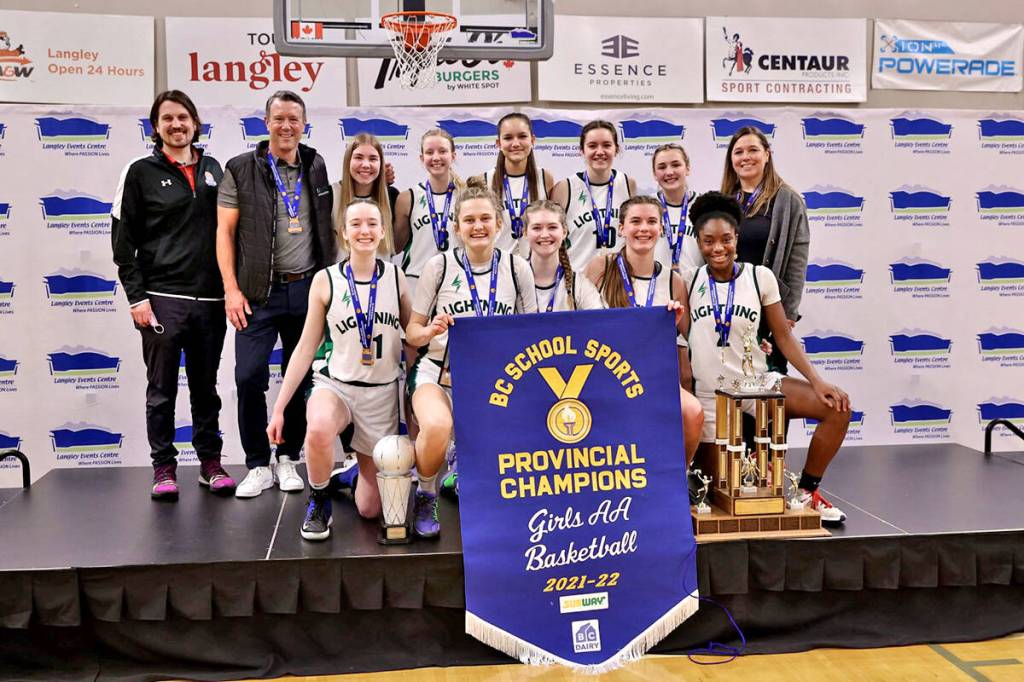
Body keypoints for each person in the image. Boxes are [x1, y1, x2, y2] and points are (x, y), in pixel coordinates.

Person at [685, 192, 850, 524]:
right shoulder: (687, 280)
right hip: (710, 397)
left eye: (726, 239)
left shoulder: (760, 277)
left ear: (737, 238)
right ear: (699, 243)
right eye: (709, 241)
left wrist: (818, 382)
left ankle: (807, 491)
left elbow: (784, 336)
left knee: (837, 408)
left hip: (756, 385)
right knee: (719, 492)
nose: (718, 248)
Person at [112, 90, 234, 500]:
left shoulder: (216, 169)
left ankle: (210, 464)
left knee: (206, 389)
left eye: (183, 117)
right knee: (161, 389)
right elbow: (122, 243)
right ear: (156, 127)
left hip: (211, 301)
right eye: (167, 119)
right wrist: (136, 298)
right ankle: (163, 468)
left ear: (195, 124)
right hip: (161, 297)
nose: (176, 125)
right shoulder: (140, 172)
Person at [216, 90, 337, 498]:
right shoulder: (240, 168)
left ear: (304, 125)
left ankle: (287, 457)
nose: (287, 126)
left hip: (307, 289)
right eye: (279, 118)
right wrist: (231, 290)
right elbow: (225, 233)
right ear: (266, 122)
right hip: (256, 293)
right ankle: (256, 464)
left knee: (300, 376)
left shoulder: (316, 164)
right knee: (248, 376)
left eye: (294, 119)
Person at [267, 200, 410, 541]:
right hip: (337, 385)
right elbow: (305, 347)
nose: (364, 230)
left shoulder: (396, 276)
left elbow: (412, 339)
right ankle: (318, 500)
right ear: (344, 233)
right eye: (356, 224)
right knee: (317, 429)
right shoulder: (325, 279)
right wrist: (279, 408)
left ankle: (348, 475)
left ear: (382, 231)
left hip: (380, 393)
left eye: (372, 224)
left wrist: (418, 392)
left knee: (370, 509)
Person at [406, 184, 537, 531]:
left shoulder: (516, 267)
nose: (477, 226)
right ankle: (426, 493)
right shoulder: (439, 266)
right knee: (436, 425)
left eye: (484, 219)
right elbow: (411, 333)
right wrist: (431, 329)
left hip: (494, 380)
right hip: (439, 371)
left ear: (499, 224)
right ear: (457, 226)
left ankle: (461, 465)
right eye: (469, 220)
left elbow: (534, 332)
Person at [584, 196, 704, 463]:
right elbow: (579, 323)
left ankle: (676, 481)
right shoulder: (601, 267)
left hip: (651, 378)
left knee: (693, 412)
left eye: (651, 221)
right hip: (603, 374)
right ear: (622, 228)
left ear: (661, 228)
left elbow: (692, 336)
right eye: (635, 221)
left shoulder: (673, 281)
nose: (643, 228)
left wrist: (673, 324)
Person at [720, 126, 809, 375]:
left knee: (770, 386)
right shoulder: (724, 200)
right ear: (731, 160)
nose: (745, 157)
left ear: (767, 154)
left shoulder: (787, 200)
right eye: (738, 152)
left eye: (753, 150)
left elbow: (797, 257)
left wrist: (788, 312)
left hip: (769, 310)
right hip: (730, 308)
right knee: (731, 381)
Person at [550, 120, 636, 271]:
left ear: (616, 149)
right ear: (582, 150)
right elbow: (553, 240)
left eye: (607, 145)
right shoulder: (565, 188)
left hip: (618, 282)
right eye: (592, 146)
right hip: (579, 281)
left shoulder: (628, 184)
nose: (600, 151)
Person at [394, 128, 464, 300]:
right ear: (421, 158)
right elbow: (395, 247)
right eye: (429, 152)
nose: (436, 157)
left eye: (442, 151)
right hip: (415, 280)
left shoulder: (466, 195)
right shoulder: (407, 198)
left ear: (453, 156)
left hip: (456, 278)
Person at [472, 113, 555, 256]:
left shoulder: (545, 178)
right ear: (498, 143)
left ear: (532, 140)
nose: (515, 143)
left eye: (522, 136)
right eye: (508, 138)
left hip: (535, 268)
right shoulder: (484, 180)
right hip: (496, 268)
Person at [523, 200, 603, 312]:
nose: (545, 235)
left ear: (564, 232)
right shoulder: (512, 281)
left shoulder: (579, 286)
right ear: (525, 233)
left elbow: (599, 324)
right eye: (537, 228)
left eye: (552, 227)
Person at [331, 132, 399, 256]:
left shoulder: (392, 196)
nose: (366, 165)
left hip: (381, 275)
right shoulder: (331, 196)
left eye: (373, 159)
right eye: (358, 157)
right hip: (340, 275)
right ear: (348, 161)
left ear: (381, 163)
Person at [651, 143, 703, 273]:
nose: (669, 172)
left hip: (698, 286)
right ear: (655, 174)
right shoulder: (647, 207)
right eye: (662, 167)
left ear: (687, 168)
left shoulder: (705, 205)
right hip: (656, 287)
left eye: (676, 165)